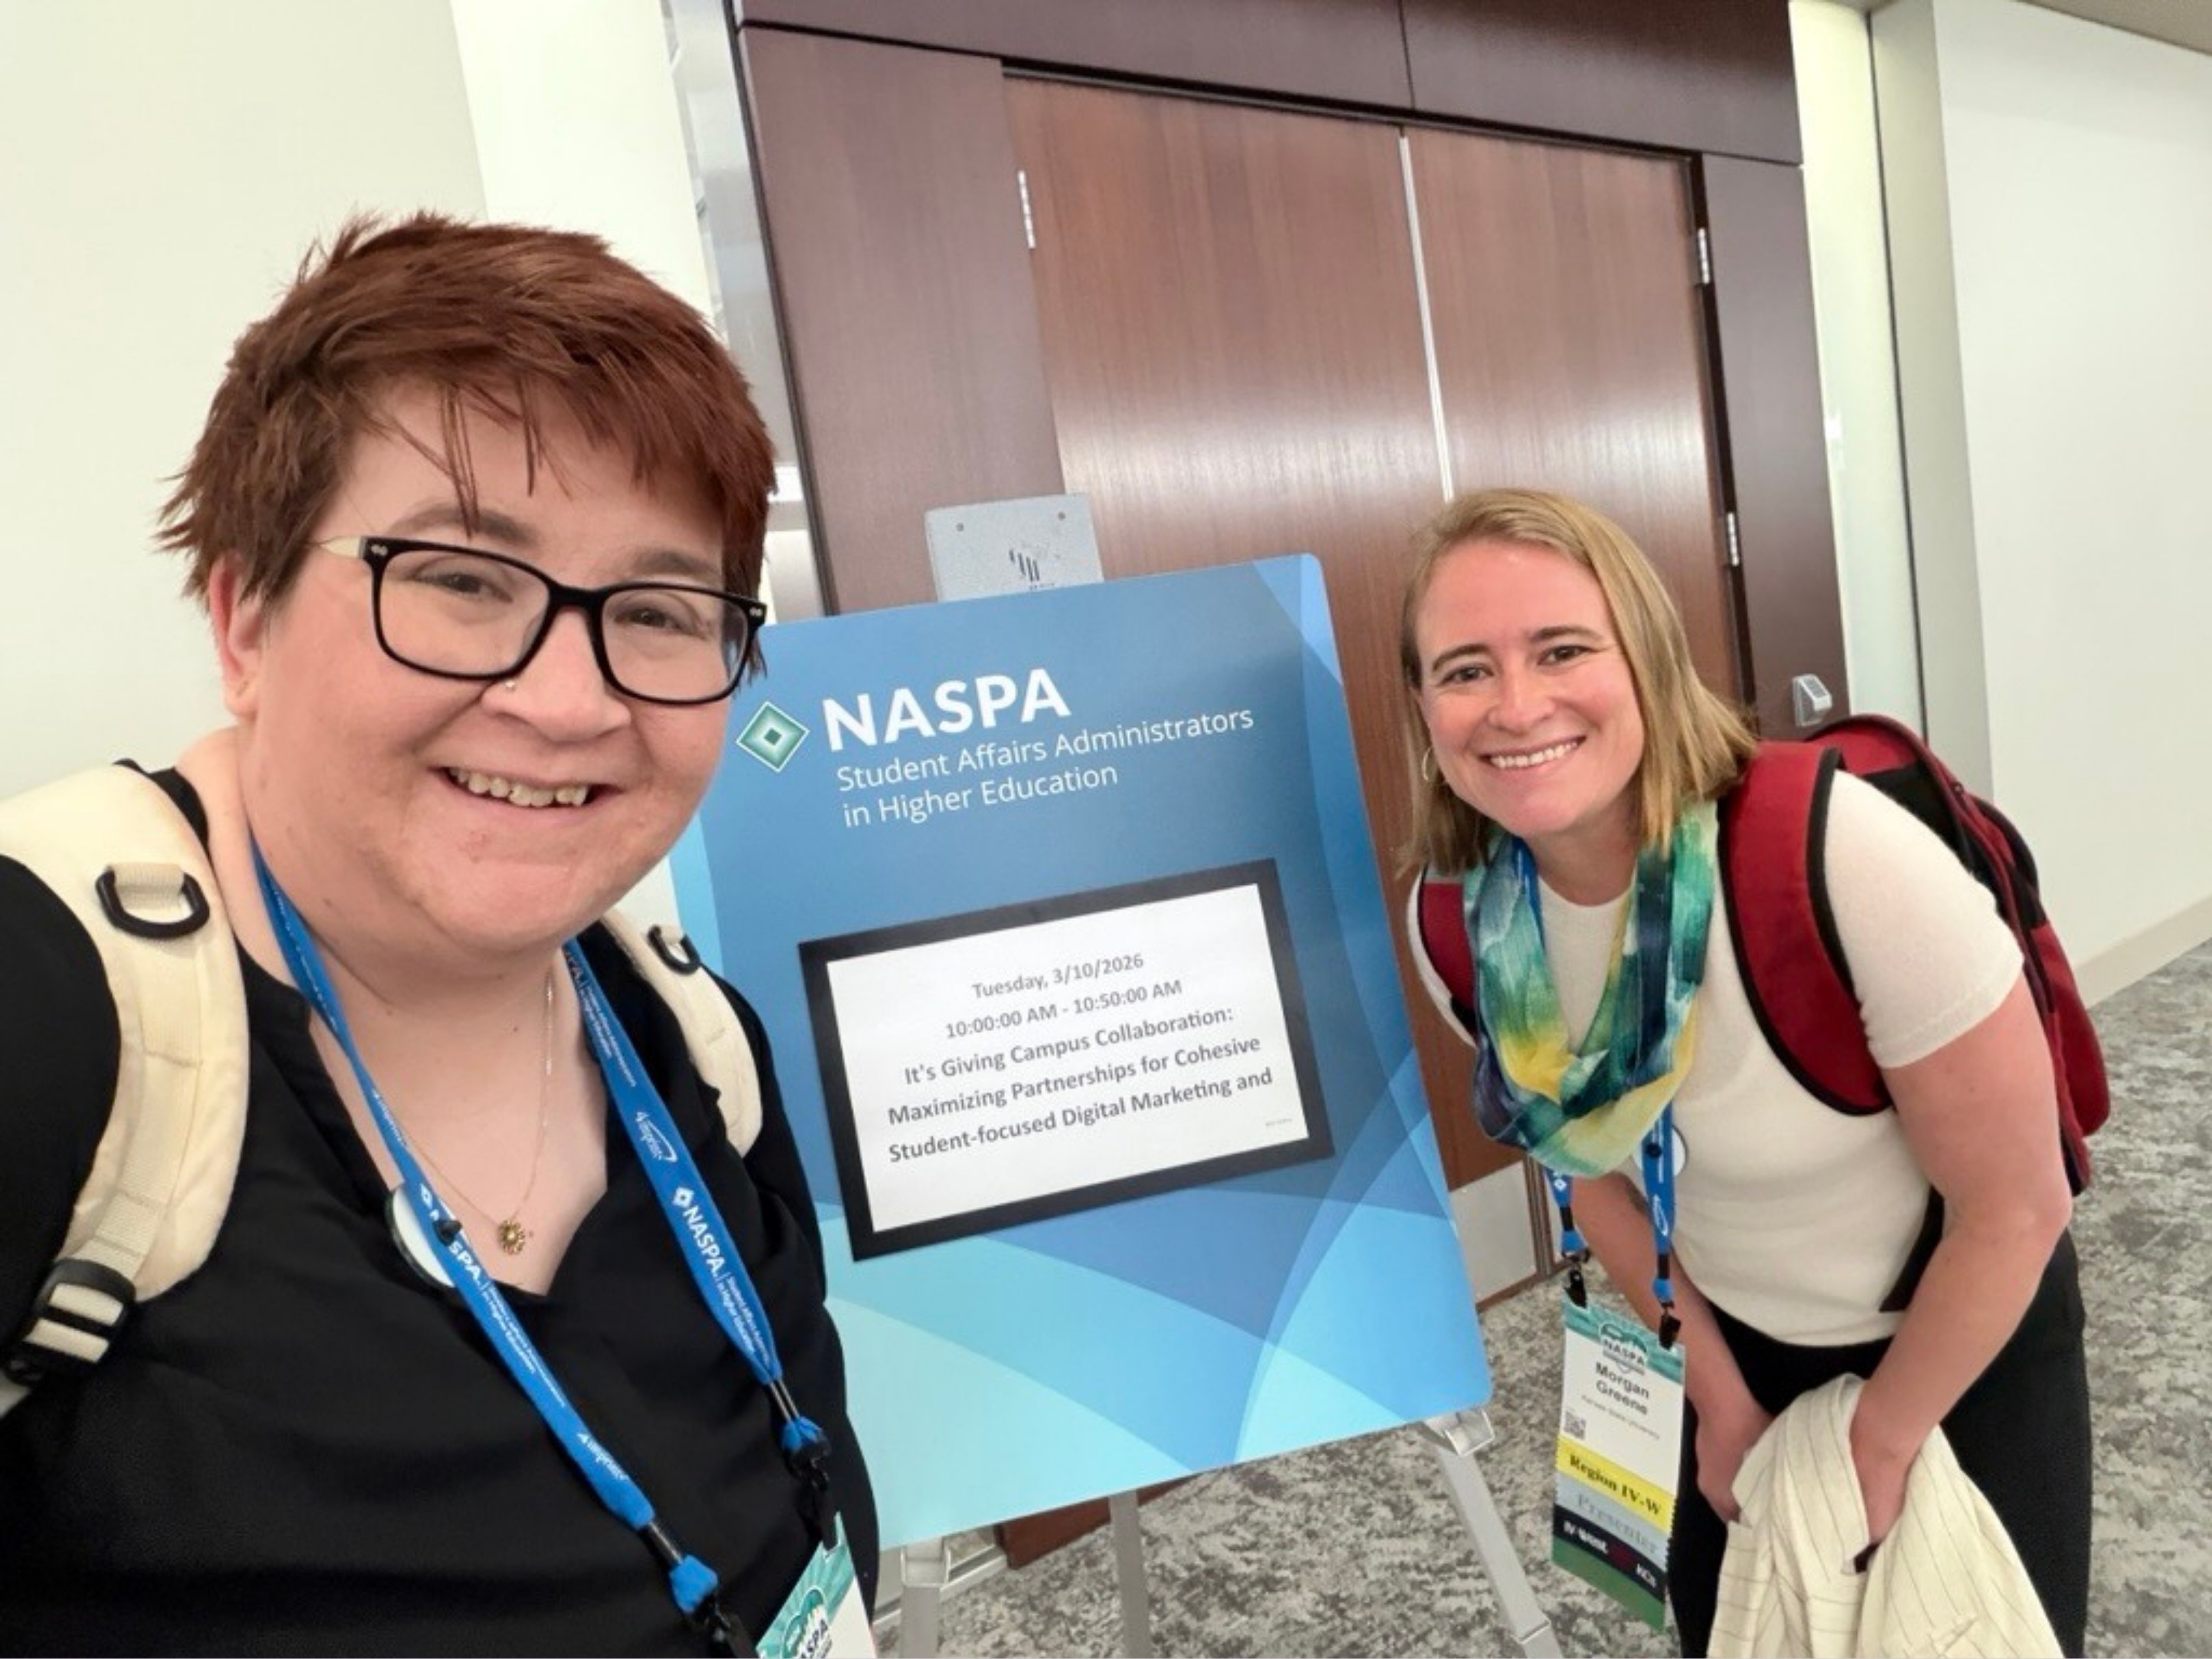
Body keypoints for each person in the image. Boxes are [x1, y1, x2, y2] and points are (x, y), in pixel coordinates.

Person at [0, 214, 875, 1654]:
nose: (571, 700)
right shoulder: (46, 1024)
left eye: (656, 610)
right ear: (242, 619)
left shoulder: (691, 1038)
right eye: (466, 582)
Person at [1397, 488, 2090, 1654]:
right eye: (1464, 670)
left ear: (1650, 658)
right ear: (1423, 708)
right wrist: (1718, 1402)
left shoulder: (1836, 853)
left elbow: (2016, 1206)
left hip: (1958, 1336)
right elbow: (1594, 1179)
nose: (1516, 705)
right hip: (1726, 1339)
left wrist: (1877, 1445)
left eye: (1562, 649)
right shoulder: (1464, 928)